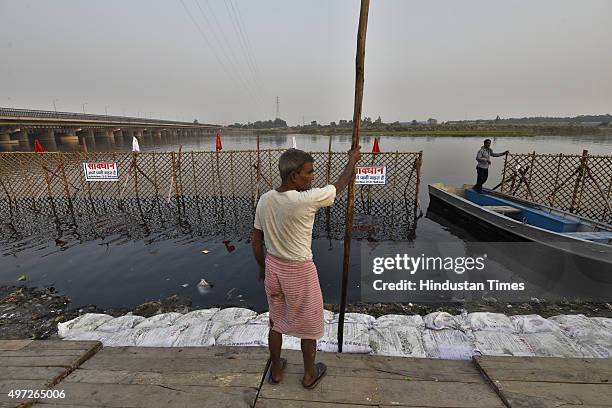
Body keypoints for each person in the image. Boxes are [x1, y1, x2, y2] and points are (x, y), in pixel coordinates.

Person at [251, 146, 362, 389]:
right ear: (294, 176)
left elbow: (256, 241)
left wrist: (263, 267)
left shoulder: (265, 199)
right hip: (299, 271)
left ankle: (277, 370)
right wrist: (351, 161)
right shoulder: (304, 200)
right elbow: (339, 186)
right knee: (309, 326)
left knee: (276, 321)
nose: (312, 177)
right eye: (309, 173)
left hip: (273, 268)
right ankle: (309, 374)